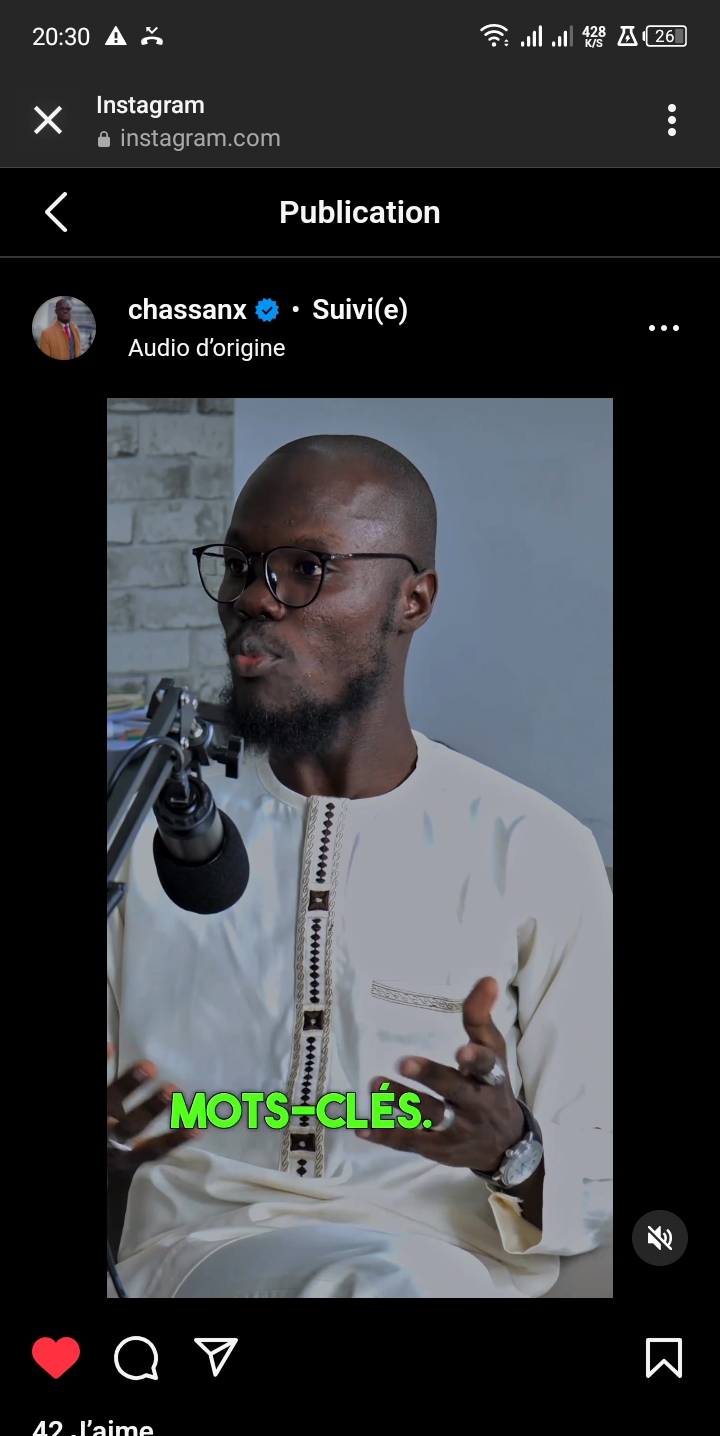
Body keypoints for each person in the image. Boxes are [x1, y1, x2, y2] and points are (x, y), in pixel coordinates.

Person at [107, 433, 612, 1298]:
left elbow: (594, 1170)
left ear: (413, 599)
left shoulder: (536, 849)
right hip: (199, 1257)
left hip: (446, 1269)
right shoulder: (143, 822)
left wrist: (510, 1147)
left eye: (305, 568)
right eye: (240, 566)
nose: (253, 599)